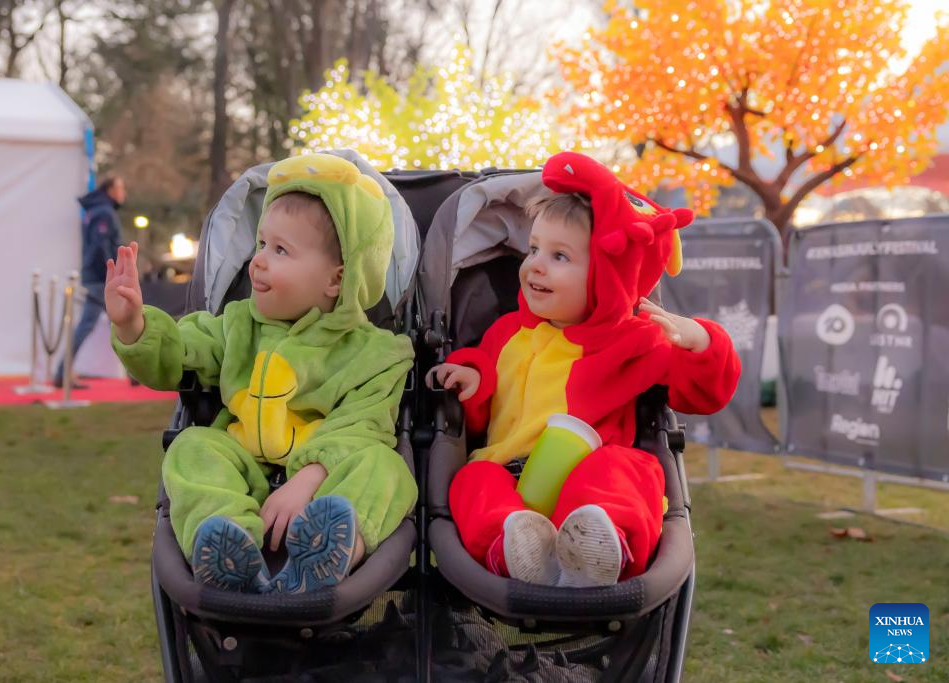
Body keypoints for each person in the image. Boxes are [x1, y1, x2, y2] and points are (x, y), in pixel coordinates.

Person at [105, 154, 416, 594]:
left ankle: (332, 550)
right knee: (193, 447)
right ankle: (226, 542)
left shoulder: (374, 352)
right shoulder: (237, 325)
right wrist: (133, 325)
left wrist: (309, 478)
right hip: (243, 462)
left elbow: (363, 427)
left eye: (281, 250)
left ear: (336, 279)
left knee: (385, 467)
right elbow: (180, 351)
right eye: (261, 245)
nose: (259, 262)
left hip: (326, 480)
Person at [428, 152, 740, 587]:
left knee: (624, 469)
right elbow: (483, 400)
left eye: (560, 257)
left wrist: (702, 342)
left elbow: (703, 393)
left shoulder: (632, 338)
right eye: (533, 248)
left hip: (584, 481)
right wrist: (473, 378)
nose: (535, 264)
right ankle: (513, 547)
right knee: (472, 480)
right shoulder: (508, 332)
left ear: (606, 275)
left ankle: (600, 546)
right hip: (512, 477)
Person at [54, 175, 127, 389]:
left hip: (98, 277)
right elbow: (101, 247)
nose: (124, 193)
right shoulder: (104, 213)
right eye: (121, 187)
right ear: (110, 190)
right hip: (101, 279)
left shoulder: (96, 211)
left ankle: (62, 373)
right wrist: (111, 274)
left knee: (119, 323)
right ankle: (62, 373)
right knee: (123, 322)